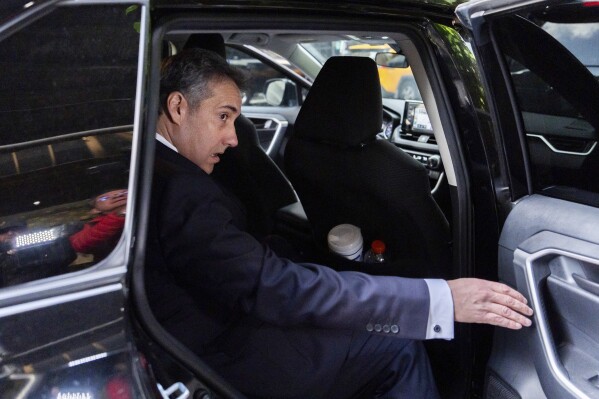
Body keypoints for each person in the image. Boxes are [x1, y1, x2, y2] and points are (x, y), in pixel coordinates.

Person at [145, 48, 533, 399]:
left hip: (198, 329)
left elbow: (239, 266)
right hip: (212, 358)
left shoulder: (152, 168)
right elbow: (271, 287)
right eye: (223, 117)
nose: (233, 138)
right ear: (178, 107)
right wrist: (439, 299)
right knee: (395, 346)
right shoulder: (183, 189)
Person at [69, 189, 127, 260]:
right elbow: (79, 243)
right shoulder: (91, 225)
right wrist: (121, 215)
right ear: (95, 210)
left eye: (125, 192)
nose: (117, 195)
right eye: (104, 198)